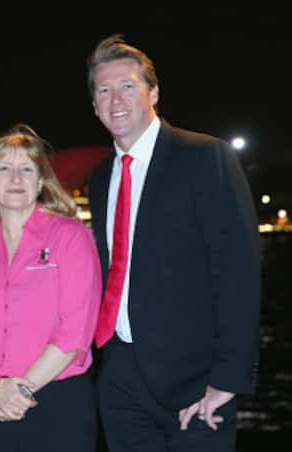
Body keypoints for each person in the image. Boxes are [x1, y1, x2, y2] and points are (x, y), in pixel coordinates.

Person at [85, 34, 261, 452]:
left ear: (154, 93)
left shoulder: (205, 157)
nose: (116, 99)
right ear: (94, 106)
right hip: (118, 378)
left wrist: (227, 379)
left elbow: (238, 271)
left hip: (195, 383)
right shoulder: (97, 179)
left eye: (128, 85)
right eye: (104, 90)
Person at [0, 123, 102, 451]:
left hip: (57, 400)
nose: (16, 178)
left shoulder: (70, 237)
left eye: (26, 169)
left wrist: (20, 392)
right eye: (5, 168)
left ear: (41, 181)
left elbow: (75, 331)